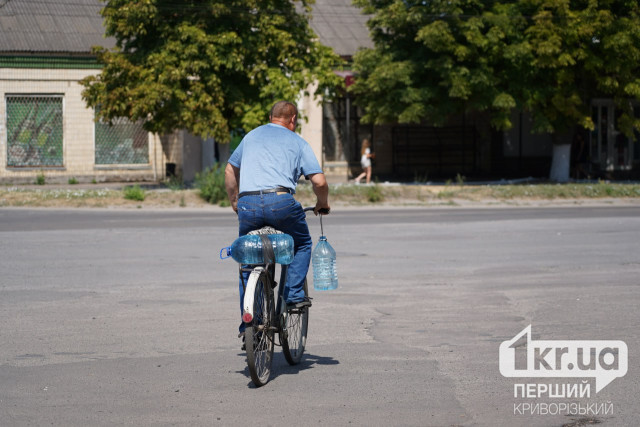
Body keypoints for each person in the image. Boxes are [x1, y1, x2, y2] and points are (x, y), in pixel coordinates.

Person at [224, 100, 331, 342]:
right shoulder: (297, 141)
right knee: (301, 243)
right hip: (281, 203)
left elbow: (230, 170)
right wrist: (322, 203)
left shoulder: (251, 136)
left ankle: (248, 325)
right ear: (292, 119)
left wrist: (235, 202)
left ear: (271, 117)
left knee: (249, 259)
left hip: (247, 204)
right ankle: (293, 293)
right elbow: (320, 182)